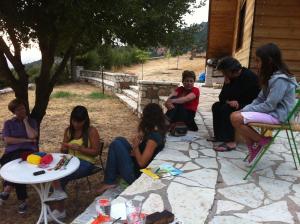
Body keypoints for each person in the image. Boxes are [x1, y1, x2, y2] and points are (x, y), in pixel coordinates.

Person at [231, 43, 298, 163]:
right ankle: (255, 144)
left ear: (269, 61)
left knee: (236, 118)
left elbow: (269, 105)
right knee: (236, 116)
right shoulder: (271, 77)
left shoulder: (280, 80)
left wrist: (244, 111)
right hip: (272, 113)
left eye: (258, 61)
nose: (256, 64)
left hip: (280, 116)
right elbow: (260, 99)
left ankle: (261, 141)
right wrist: (245, 109)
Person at [96, 103, 167, 194]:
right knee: (120, 139)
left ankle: (109, 181)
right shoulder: (156, 131)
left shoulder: (153, 138)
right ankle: (112, 176)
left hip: (137, 176)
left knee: (116, 144)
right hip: (137, 165)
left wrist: (136, 146)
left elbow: (142, 163)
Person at [47, 105, 100, 220]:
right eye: (74, 121)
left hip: (86, 162)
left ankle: (59, 209)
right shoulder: (68, 130)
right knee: (52, 173)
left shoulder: (91, 131)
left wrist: (80, 148)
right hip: (69, 160)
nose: (76, 124)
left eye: (79, 122)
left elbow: (95, 152)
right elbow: (64, 151)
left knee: (60, 177)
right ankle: (57, 203)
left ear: (85, 120)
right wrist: (64, 148)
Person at [210, 57, 260, 152]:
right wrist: (227, 85)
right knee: (216, 106)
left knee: (227, 108)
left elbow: (253, 98)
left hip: (251, 105)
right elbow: (222, 98)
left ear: (231, 70)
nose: (223, 75)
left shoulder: (249, 77)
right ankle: (219, 136)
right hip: (235, 103)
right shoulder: (230, 77)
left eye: (224, 72)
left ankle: (230, 141)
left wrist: (235, 102)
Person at [0, 99, 38, 214]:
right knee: (17, 169)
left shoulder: (32, 121)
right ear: (14, 112)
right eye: (18, 109)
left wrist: (25, 121)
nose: (22, 111)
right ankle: (23, 201)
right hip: (10, 153)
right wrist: (26, 140)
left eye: (23, 108)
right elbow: (7, 140)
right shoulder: (8, 123)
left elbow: (33, 135)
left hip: (27, 153)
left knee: (18, 168)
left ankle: (7, 190)